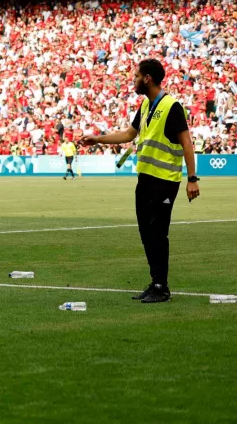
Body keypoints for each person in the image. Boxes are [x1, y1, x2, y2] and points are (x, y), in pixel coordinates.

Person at [79, 59, 200, 303]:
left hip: (165, 180)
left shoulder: (171, 106)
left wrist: (192, 179)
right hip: (145, 180)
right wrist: (98, 139)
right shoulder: (146, 105)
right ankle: (155, 281)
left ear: (147, 78)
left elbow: (187, 142)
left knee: (158, 233)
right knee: (146, 233)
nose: (133, 80)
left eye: (136, 76)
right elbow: (129, 134)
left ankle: (161, 287)